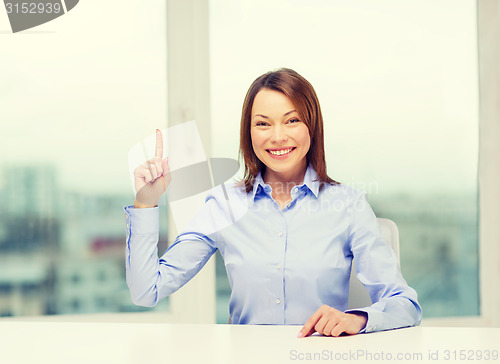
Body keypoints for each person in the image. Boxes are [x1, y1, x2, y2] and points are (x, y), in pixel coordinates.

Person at [125, 68, 422, 338]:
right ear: (249, 132)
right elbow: (146, 291)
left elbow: (404, 304)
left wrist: (357, 318)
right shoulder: (223, 205)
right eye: (263, 124)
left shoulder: (348, 205)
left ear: (311, 126)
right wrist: (146, 204)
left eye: (292, 120)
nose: (278, 137)